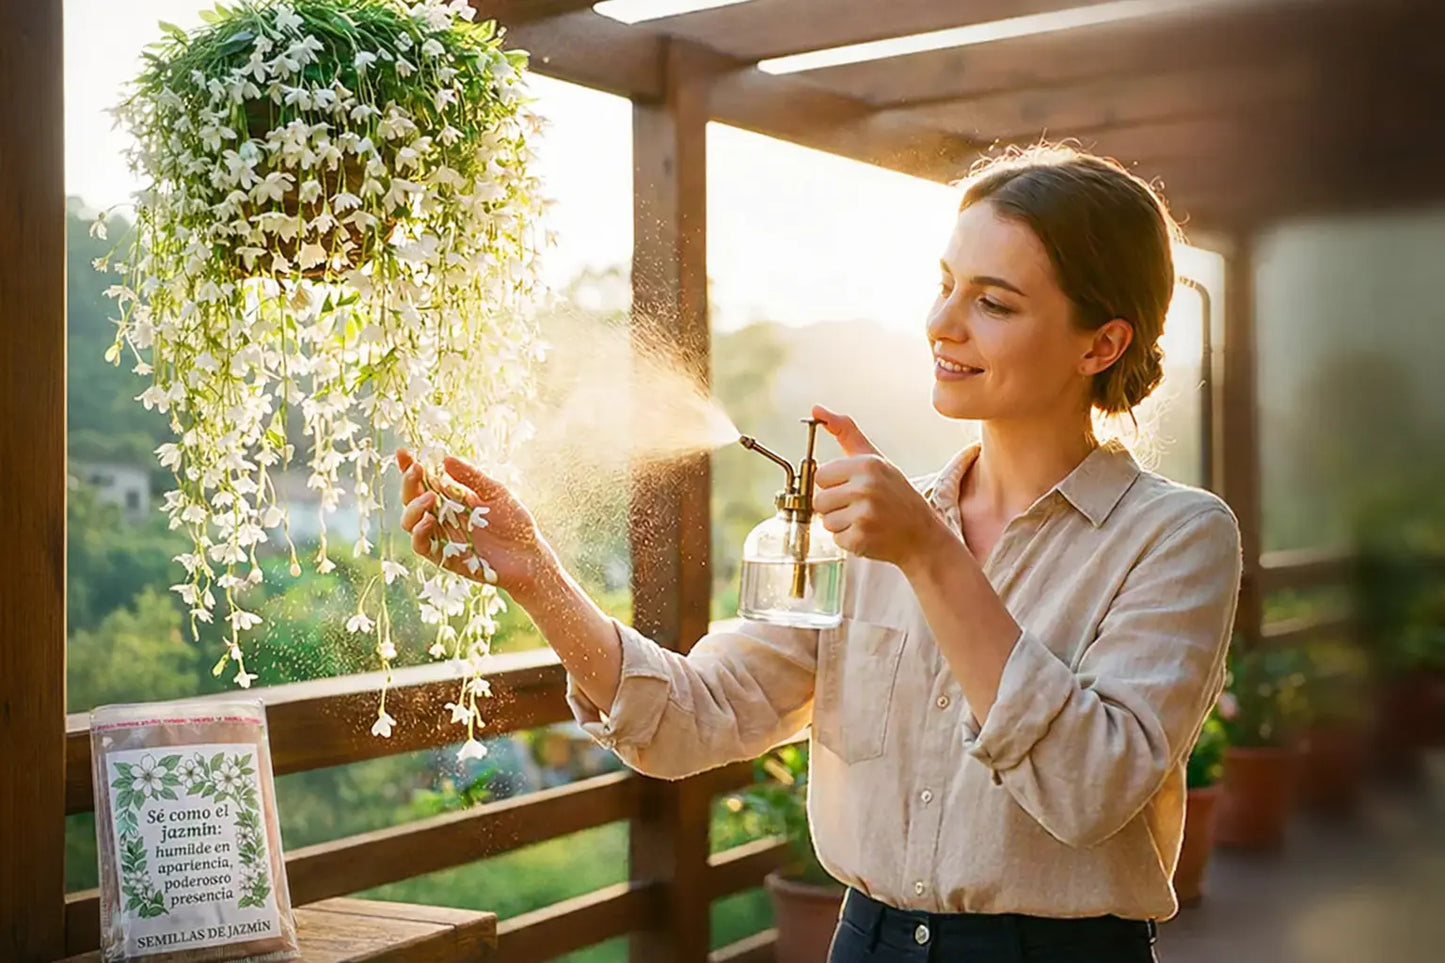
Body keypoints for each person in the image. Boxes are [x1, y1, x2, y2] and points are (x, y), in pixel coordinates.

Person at [397, 145, 1242, 962]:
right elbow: (691, 719)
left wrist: (927, 555)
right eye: (944, 286)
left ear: (1101, 344)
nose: (941, 324)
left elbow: (1088, 788)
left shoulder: (1174, 537)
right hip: (865, 943)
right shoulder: (870, 527)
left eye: (994, 302)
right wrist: (535, 575)